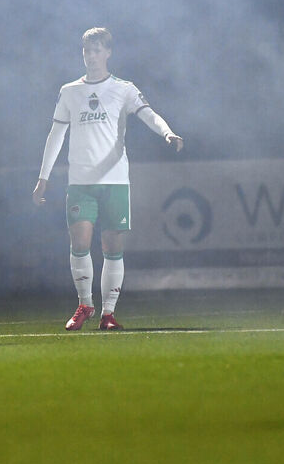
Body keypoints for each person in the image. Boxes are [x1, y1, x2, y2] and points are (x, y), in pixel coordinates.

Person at [33, 27, 183, 331]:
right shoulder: (69, 91)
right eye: (87, 50)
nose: (91, 56)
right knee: (80, 243)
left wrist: (166, 132)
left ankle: (108, 314)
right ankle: (85, 304)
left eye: (97, 50)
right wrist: (43, 176)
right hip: (81, 182)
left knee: (112, 247)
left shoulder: (124, 88)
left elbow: (148, 113)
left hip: (115, 181)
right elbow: (56, 134)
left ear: (108, 53)